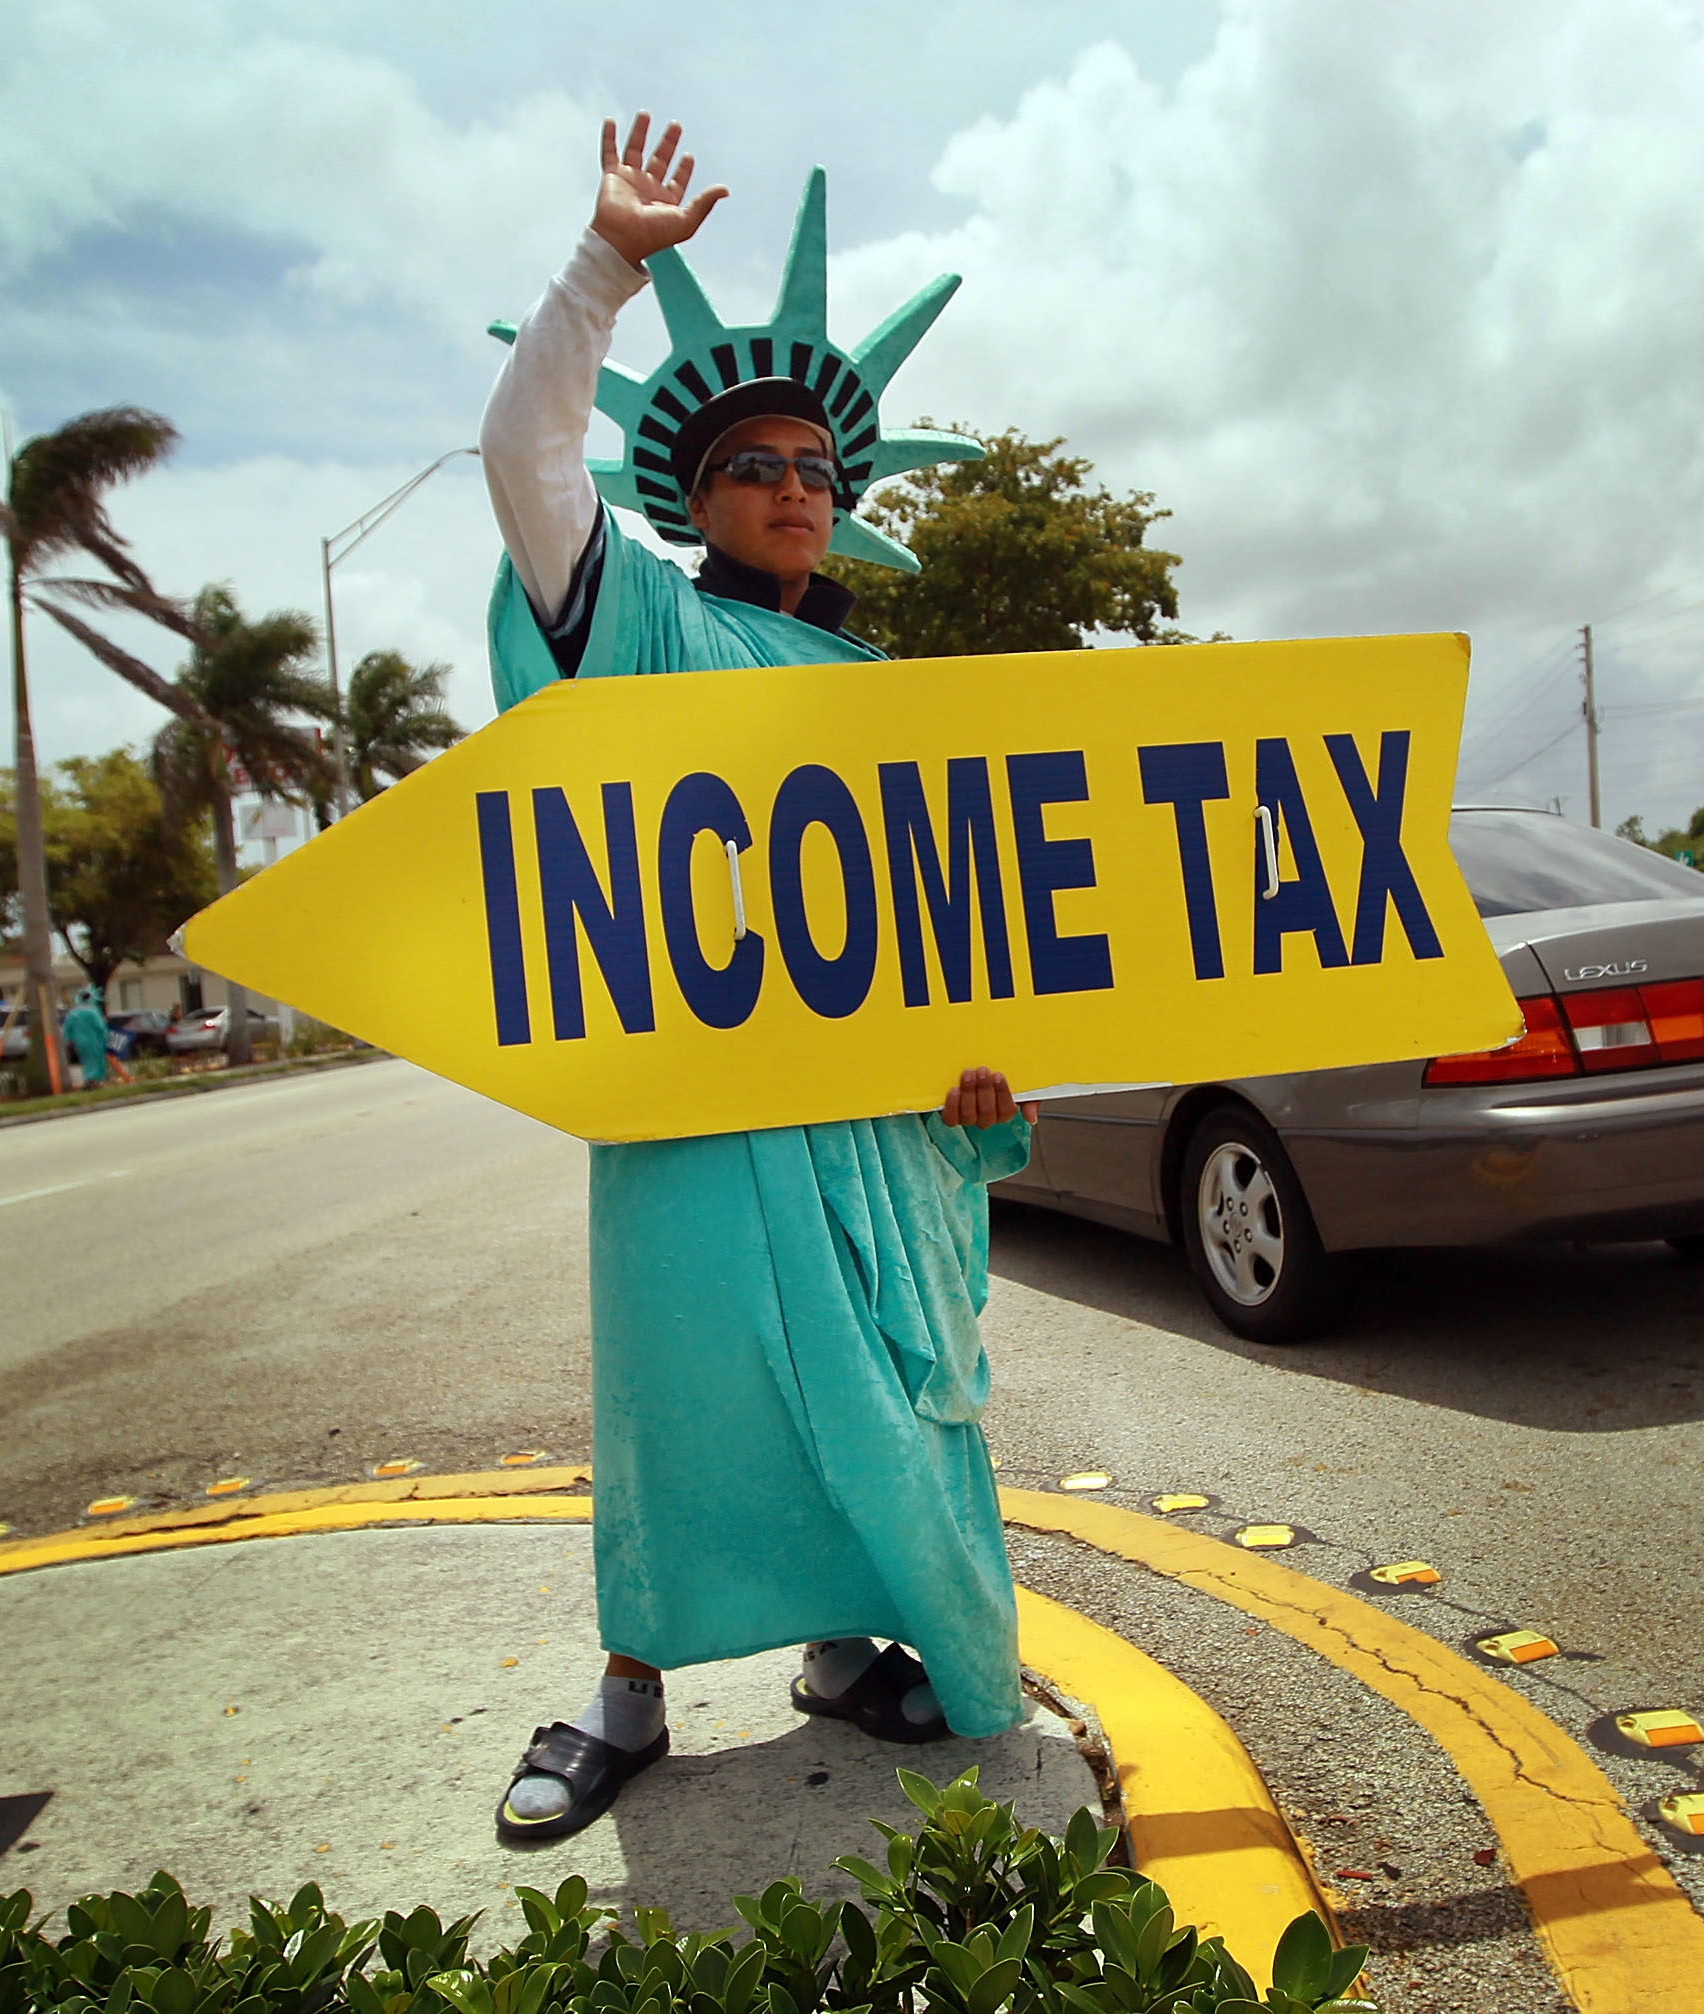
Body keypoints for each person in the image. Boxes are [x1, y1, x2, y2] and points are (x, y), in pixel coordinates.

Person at [479, 114, 1037, 1845]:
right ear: (693, 495)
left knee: (881, 1386)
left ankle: (841, 1642)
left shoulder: (881, 695)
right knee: (685, 1392)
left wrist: (977, 1068)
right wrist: (605, 267)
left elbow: (944, 922)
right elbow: (525, 462)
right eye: (757, 465)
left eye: (818, 467)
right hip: (696, 1103)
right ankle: (628, 1691)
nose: (798, 487)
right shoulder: (642, 626)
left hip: (874, 1122)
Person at [59, 987, 112, 1092]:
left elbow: (67, 1030)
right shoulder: (93, 1012)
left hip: (79, 1042)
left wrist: (70, 1040)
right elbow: (100, 1027)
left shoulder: (73, 1014)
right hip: (95, 1041)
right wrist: (106, 1038)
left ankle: (89, 1080)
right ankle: (94, 1081)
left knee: (86, 1061)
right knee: (96, 1060)